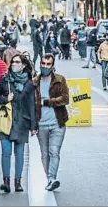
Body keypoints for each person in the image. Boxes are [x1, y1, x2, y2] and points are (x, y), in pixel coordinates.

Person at [0, 54, 37, 193]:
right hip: (6, 120)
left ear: (24, 65)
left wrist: (33, 126)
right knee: (6, 152)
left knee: (19, 153)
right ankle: (6, 181)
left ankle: (18, 182)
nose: (13, 64)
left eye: (17, 62)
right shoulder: (5, 79)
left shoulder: (29, 83)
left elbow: (32, 105)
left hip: (22, 121)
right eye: (12, 62)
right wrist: (5, 99)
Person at [34, 54, 69, 191]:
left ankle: (52, 178)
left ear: (52, 66)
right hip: (41, 124)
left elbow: (65, 99)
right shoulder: (34, 82)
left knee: (54, 151)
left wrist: (47, 102)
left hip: (57, 122)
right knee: (45, 154)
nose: (45, 66)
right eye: (43, 63)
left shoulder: (60, 80)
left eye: (48, 64)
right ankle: (49, 179)